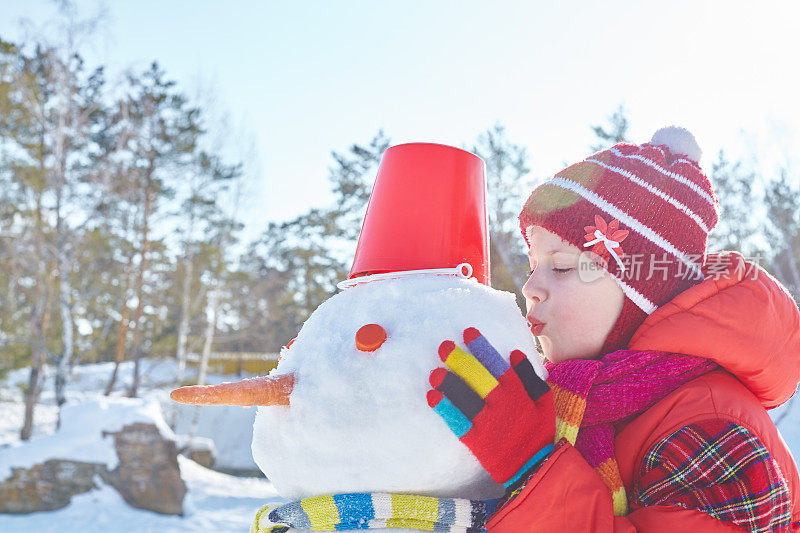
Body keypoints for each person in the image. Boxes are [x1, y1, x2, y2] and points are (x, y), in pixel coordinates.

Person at [427, 126, 800, 531]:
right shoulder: (588, 398)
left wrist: (531, 466)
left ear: (642, 294)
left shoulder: (710, 425)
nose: (530, 288)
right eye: (532, 266)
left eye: (563, 267)